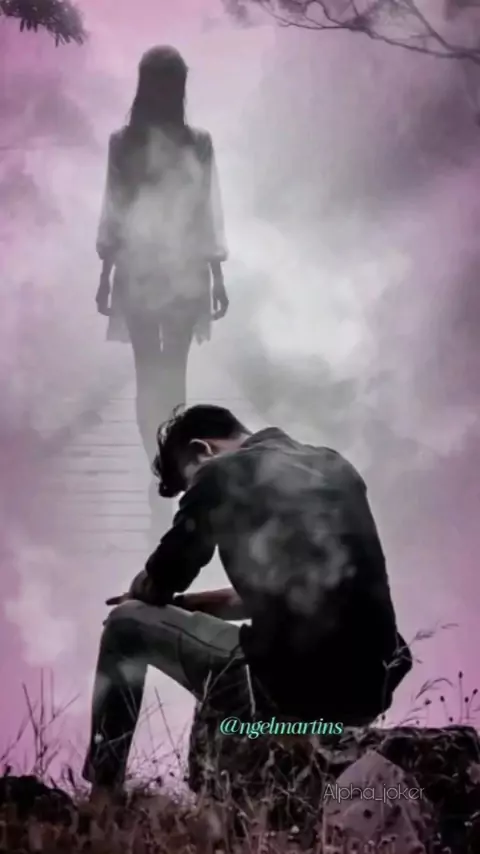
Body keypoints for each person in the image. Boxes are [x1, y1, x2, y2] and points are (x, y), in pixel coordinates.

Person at [83, 404, 413, 795]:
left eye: (188, 484)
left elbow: (162, 580)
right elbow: (289, 594)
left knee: (124, 624)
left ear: (201, 449)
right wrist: (184, 606)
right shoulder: (333, 465)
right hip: (367, 686)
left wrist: (139, 597)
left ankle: (104, 795)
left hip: (292, 683)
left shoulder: (219, 472)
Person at [95, 46, 229, 466]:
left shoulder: (131, 142)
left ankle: (160, 462)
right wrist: (217, 275)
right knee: (167, 371)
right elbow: (204, 213)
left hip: (151, 269)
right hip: (167, 269)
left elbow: (116, 211)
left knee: (154, 371)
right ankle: (168, 461)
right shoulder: (190, 143)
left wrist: (104, 275)